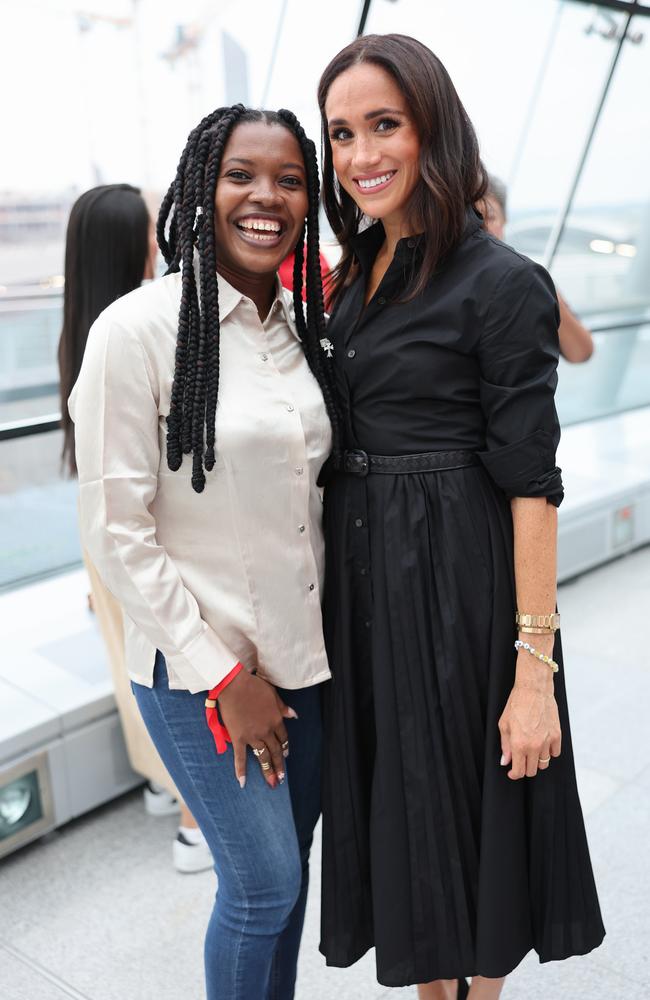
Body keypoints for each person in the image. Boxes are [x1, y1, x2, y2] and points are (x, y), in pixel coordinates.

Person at [316, 34, 605, 999]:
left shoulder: (499, 281)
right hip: (366, 586)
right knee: (403, 826)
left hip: (454, 589)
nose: (362, 155)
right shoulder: (354, 276)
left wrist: (535, 677)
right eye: (343, 134)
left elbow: (531, 483)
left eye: (384, 125)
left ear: (434, 125)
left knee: (468, 831)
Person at [68, 105, 340, 1000]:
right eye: (241, 175)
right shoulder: (136, 331)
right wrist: (228, 678)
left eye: (290, 180)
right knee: (262, 889)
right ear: (200, 189)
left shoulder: (302, 330)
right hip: (202, 677)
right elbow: (118, 530)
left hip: (309, 664)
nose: (267, 196)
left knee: (290, 877)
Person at [57, 183, 212, 873]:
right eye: (150, 227)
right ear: (134, 243)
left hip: (100, 530)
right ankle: (192, 820)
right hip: (143, 529)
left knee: (134, 661)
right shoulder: (132, 329)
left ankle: (160, 783)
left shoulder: (79, 324)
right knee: (172, 661)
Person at [481, 176, 594, 363]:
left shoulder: (526, 277)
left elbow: (580, 352)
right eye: (474, 218)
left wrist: (541, 287)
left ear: (504, 221)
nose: (482, 228)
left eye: (490, 217)